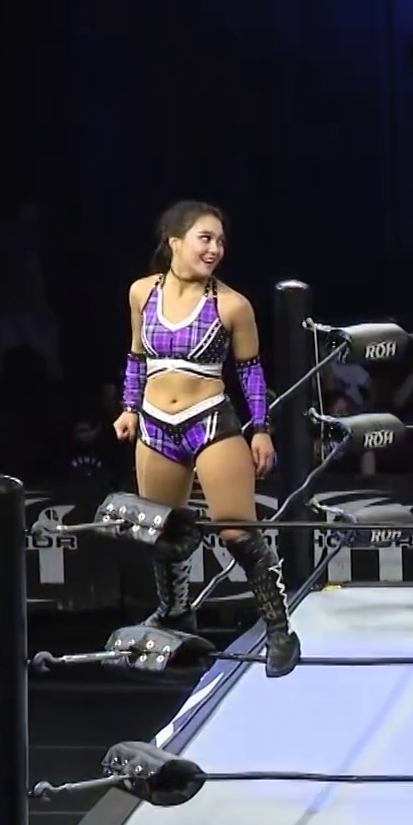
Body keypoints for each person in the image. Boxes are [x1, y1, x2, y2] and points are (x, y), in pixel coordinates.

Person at [112, 200, 299, 677]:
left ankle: (279, 630)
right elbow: (136, 356)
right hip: (155, 422)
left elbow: (251, 373)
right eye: (205, 238)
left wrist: (260, 429)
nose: (215, 249)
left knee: (237, 530)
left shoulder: (232, 304)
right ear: (174, 241)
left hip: (210, 419)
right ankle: (176, 612)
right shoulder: (142, 293)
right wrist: (129, 408)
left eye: (220, 241)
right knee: (165, 531)